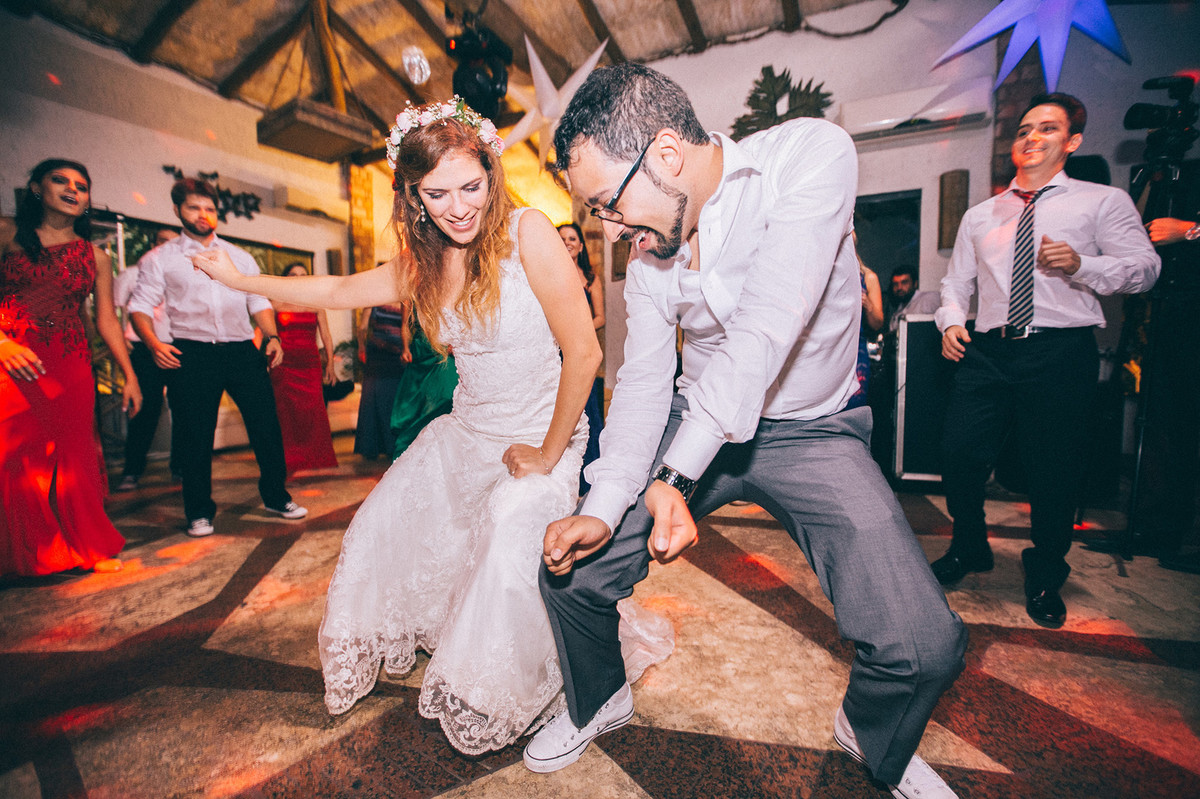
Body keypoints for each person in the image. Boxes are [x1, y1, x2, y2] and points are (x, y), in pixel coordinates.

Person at [527, 63, 967, 799]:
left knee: (924, 644)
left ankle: (870, 728)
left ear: (666, 155)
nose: (609, 226)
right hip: (694, 415)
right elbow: (641, 384)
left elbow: (764, 331)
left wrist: (674, 477)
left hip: (811, 430)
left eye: (608, 202)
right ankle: (600, 695)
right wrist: (604, 507)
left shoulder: (810, 157)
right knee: (569, 572)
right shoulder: (649, 252)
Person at [192, 98, 669, 754]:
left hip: (542, 434)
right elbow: (334, 292)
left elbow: (583, 353)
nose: (458, 206)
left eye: (471, 186)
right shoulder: (423, 261)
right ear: (412, 196)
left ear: (492, 178)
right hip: (467, 431)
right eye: (437, 193)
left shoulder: (528, 232)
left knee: (509, 539)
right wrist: (240, 279)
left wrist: (548, 451)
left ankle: (514, 682)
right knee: (379, 523)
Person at [933, 93, 1160, 627]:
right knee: (959, 453)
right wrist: (949, 321)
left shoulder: (1101, 202)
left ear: (1072, 142)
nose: (1031, 138)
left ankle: (1045, 568)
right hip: (988, 349)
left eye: (1047, 129)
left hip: (1059, 349)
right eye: (1024, 130)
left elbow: (1145, 269)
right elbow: (955, 283)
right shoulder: (981, 214)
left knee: (1053, 469)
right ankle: (970, 545)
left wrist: (1084, 266)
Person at [127, 179, 307, 538]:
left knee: (266, 427)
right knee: (195, 435)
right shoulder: (160, 259)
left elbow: (258, 300)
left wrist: (271, 336)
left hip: (242, 350)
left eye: (209, 208)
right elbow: (140, 307)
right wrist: (153, 344)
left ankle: (276, 496)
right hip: (192, 353)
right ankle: (198, 512)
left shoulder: (239, 257)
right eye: (194, 207)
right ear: (178, 211)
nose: (203, 215)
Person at [1, 158, 142, 576]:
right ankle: (26, 552)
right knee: (15, 453)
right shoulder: (6, 234)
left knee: (74, 456)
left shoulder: (96, 256)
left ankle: (86, 546)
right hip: (13, 359)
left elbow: (106, 321)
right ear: (35, 188)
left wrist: (129, 375)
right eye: (60, 180)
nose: (72, 189)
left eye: (81, 185)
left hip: (70, 361)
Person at [114, 227, 180, 491]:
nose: (167, 247)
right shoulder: (131, 274)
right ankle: (132, 471)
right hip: (144, 349)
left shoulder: (181, 276)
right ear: (153, 243)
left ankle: (181, 468)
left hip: (179, 347)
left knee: (184, 410)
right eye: (163, 240)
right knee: (144, 409)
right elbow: (117, 312)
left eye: (173, 243)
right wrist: (122, 342)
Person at [270, 261, 339, 477]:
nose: (298, 278)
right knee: (285, 412)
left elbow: (326, 335)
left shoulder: (316, 303)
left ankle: (315, 456)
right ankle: (288, 457)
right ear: (285, 278)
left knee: (313, 410)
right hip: (283, 364)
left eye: (303, 274)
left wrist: (330, 363)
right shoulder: (275, 303)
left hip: (309, 363)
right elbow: (265, 334)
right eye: (293, 274)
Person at [558, 221, 605, 493]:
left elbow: (600, 317)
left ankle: (590, 478)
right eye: (562, 238)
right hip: (556, 352)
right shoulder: (548, 274)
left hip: (582, 351)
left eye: (572, 238)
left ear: (581, 245)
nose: (567, 242)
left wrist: (579, 330)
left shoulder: (590, 277)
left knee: (588, 412)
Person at [353, 301, 407, 460]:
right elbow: (362, 327)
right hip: (378, 353)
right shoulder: (375, 298)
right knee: (373, 398)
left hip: (399, 355)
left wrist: (406, 349)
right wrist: (362, 347)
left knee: (394, 397)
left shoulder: (406, 298)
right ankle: (372, 446)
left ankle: (392, 445)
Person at [886, 264, 940, 334]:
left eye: (904, 282)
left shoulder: (929, 299)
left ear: (915, 284)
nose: (899, 288)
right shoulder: (897, 313)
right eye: (895, 284)